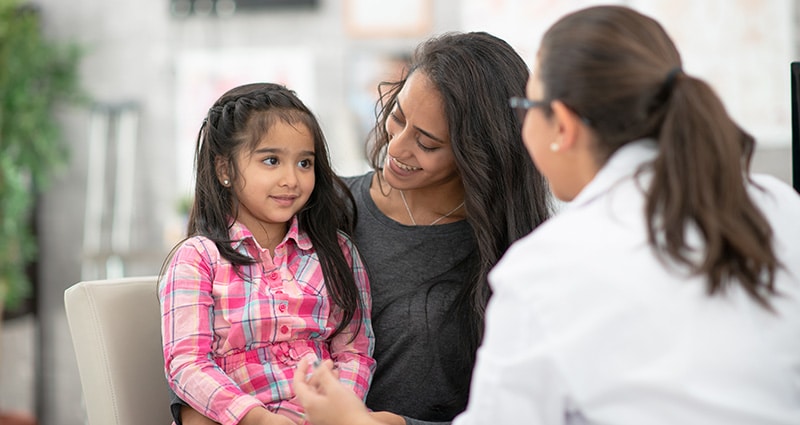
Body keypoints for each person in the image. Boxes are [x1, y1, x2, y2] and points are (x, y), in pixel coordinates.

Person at [293, 5, 800, 425]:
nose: (397, 146)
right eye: (397, 116)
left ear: (563, 126)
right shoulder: (779, 207)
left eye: (528, 107)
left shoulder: (548, 260)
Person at [175, 31, 553, 425]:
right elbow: (200, 337)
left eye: (426, 143)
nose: (398, 146)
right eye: (399, 117)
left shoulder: (515, 253)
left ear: (479, 152)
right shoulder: (314, 206)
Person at [159, 82, 375, 425]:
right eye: (271, 160)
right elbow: (187, 364)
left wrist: (336, 411)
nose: (292, 178)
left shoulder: (338, 252)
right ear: (224, 169)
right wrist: (256, 419)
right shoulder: (197, 259)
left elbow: (355, 352)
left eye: (305, 163)